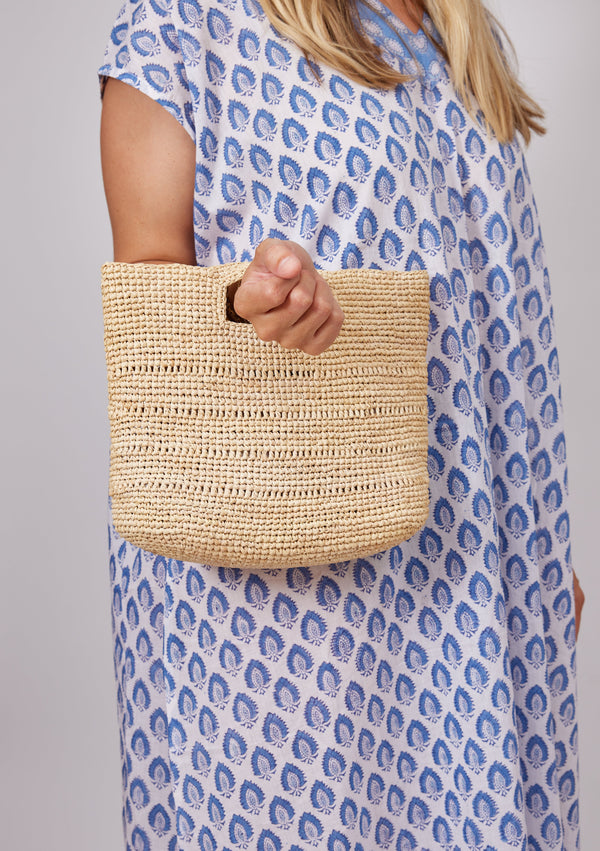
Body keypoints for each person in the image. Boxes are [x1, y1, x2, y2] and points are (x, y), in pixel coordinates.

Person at [98, 1, 584, 848]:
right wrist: (248, 305)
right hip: (289, 589)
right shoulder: (183, 23)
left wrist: (536, 551)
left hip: (478, 561)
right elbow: (153, 303)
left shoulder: (453, 29)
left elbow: (487, 303)